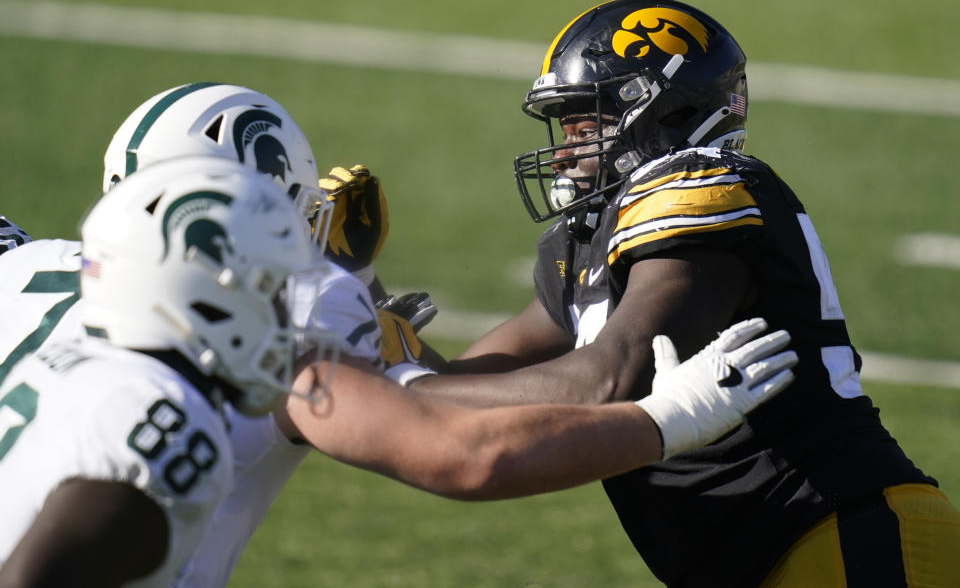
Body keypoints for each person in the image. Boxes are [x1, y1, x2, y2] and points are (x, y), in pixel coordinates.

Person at [0, 84, 798, 587]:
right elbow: (464, 448)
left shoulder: (29, 267)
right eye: (276, 250)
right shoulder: (179, 407)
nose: (299, 272)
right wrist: (667, 421)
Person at [376, 0, 960, 586]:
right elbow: (459, 391)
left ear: (670, 113)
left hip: (842, 534)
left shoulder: (706, 185)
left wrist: (404, 380)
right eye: (565, 127)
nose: (563, 151)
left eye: (587, 124)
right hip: (758, 559)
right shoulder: (583, 244)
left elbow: (607, 381)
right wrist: (358, 306)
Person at [0, 159, 331, 586]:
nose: (285, 316)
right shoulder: (164, 425)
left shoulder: (77, 362)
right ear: (204, 293)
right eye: (270, 289)